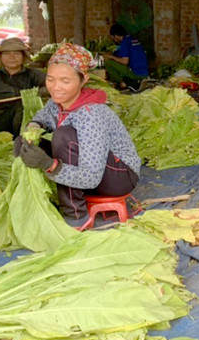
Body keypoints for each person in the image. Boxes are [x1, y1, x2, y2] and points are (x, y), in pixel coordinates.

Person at [15, 43, 141, 227]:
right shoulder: (57, 102)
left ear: (83, 80)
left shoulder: (91, 114)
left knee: (63, 137)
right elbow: (43, 117)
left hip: (119, 177)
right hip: (88, 173)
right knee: (23, 142)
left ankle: (76, 216)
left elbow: (91, 177)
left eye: (65, 81)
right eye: (50, 79)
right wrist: (34, 126)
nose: (56, 87)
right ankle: (39, 203)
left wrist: (47, 164)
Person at [104, 23, 149, 91]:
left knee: (108, 62)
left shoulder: (124, 43)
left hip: (136, 73)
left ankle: (123, 83)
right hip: (145, 72)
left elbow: (125, 61)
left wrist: (110, 57)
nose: (114, 40)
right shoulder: (132, 38)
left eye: (113, 38)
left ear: (116, 35)